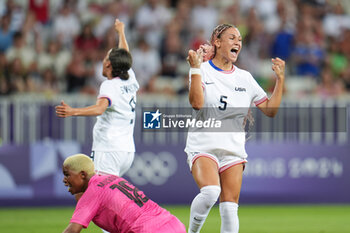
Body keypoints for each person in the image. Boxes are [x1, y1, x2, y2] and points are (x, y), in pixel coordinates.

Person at [185, 23, 285, 233]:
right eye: (232, 38)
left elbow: (270, 110)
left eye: (239, 40)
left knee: (230, 208)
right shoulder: (201, 69)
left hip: (233, 149)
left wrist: (280, 80)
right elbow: (196, 103)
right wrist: (194, 69)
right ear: (217, 42)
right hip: (203, 145)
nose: (237, 43)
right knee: (211, 191)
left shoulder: (245, 78)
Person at [55, 19, 139, 177]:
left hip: (108, 149)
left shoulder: (109, 85)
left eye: (106, 57)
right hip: (127, 151)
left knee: (97, 193)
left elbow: (100, 108)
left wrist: (73, 111)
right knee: (107, 195)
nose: (102, 60)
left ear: (109, 65)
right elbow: (124, 54)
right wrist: (121, 32)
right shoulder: (130, 79)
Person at [62, 153, 186, 233]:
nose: (64, 180)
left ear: (82, 174)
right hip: (174, 224)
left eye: (67, 175)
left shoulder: (92, 193)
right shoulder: (111, 178)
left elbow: (72, 231)